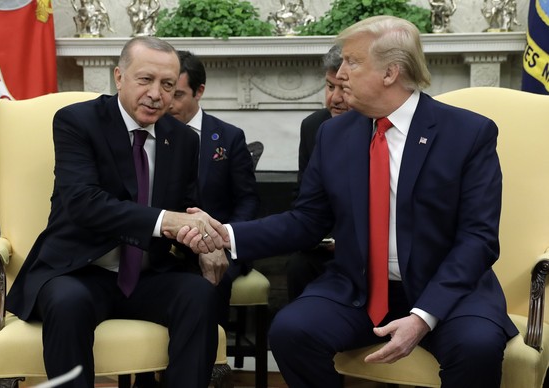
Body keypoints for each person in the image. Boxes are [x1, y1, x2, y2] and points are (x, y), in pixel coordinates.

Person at [177, 15, 519, 387]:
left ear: (390, 73)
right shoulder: (334, 134)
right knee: (291, 331)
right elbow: (307, 220)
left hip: (449, 291)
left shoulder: (468, 133)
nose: (340, 74)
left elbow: (478, 239)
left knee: (477, 346)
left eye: (351, 62)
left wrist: (423, 316)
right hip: (360, 289)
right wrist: (225, 234)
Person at [5, 36, 228, 388]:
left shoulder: (183, 139)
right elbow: (83, 202)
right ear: (119, 77)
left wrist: (205, 241)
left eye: (168, 85)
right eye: (146, 80)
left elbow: (186, 209)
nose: (157, 94)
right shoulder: (77, 122)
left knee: (199, 294)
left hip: (147, 275)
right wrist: (165, 220)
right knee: (67, 303)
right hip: (78, 270)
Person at [133, 49, 259, 387]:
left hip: (216, 244)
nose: (167, 101)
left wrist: (223, 238)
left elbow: (247, 200)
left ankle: (206, 370)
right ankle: (146, 371)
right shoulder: (145, 134)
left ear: (199, 92)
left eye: (178, 93)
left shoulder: (227, 137)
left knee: (208, 283)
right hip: (163, 244)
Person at [286, 44, 349, 301]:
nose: (334, 98)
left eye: (343, 88)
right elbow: (304, 194)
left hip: (376, 248)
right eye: (330, 86)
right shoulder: (314, 126)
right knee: (298, 266)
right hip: (324, 243)